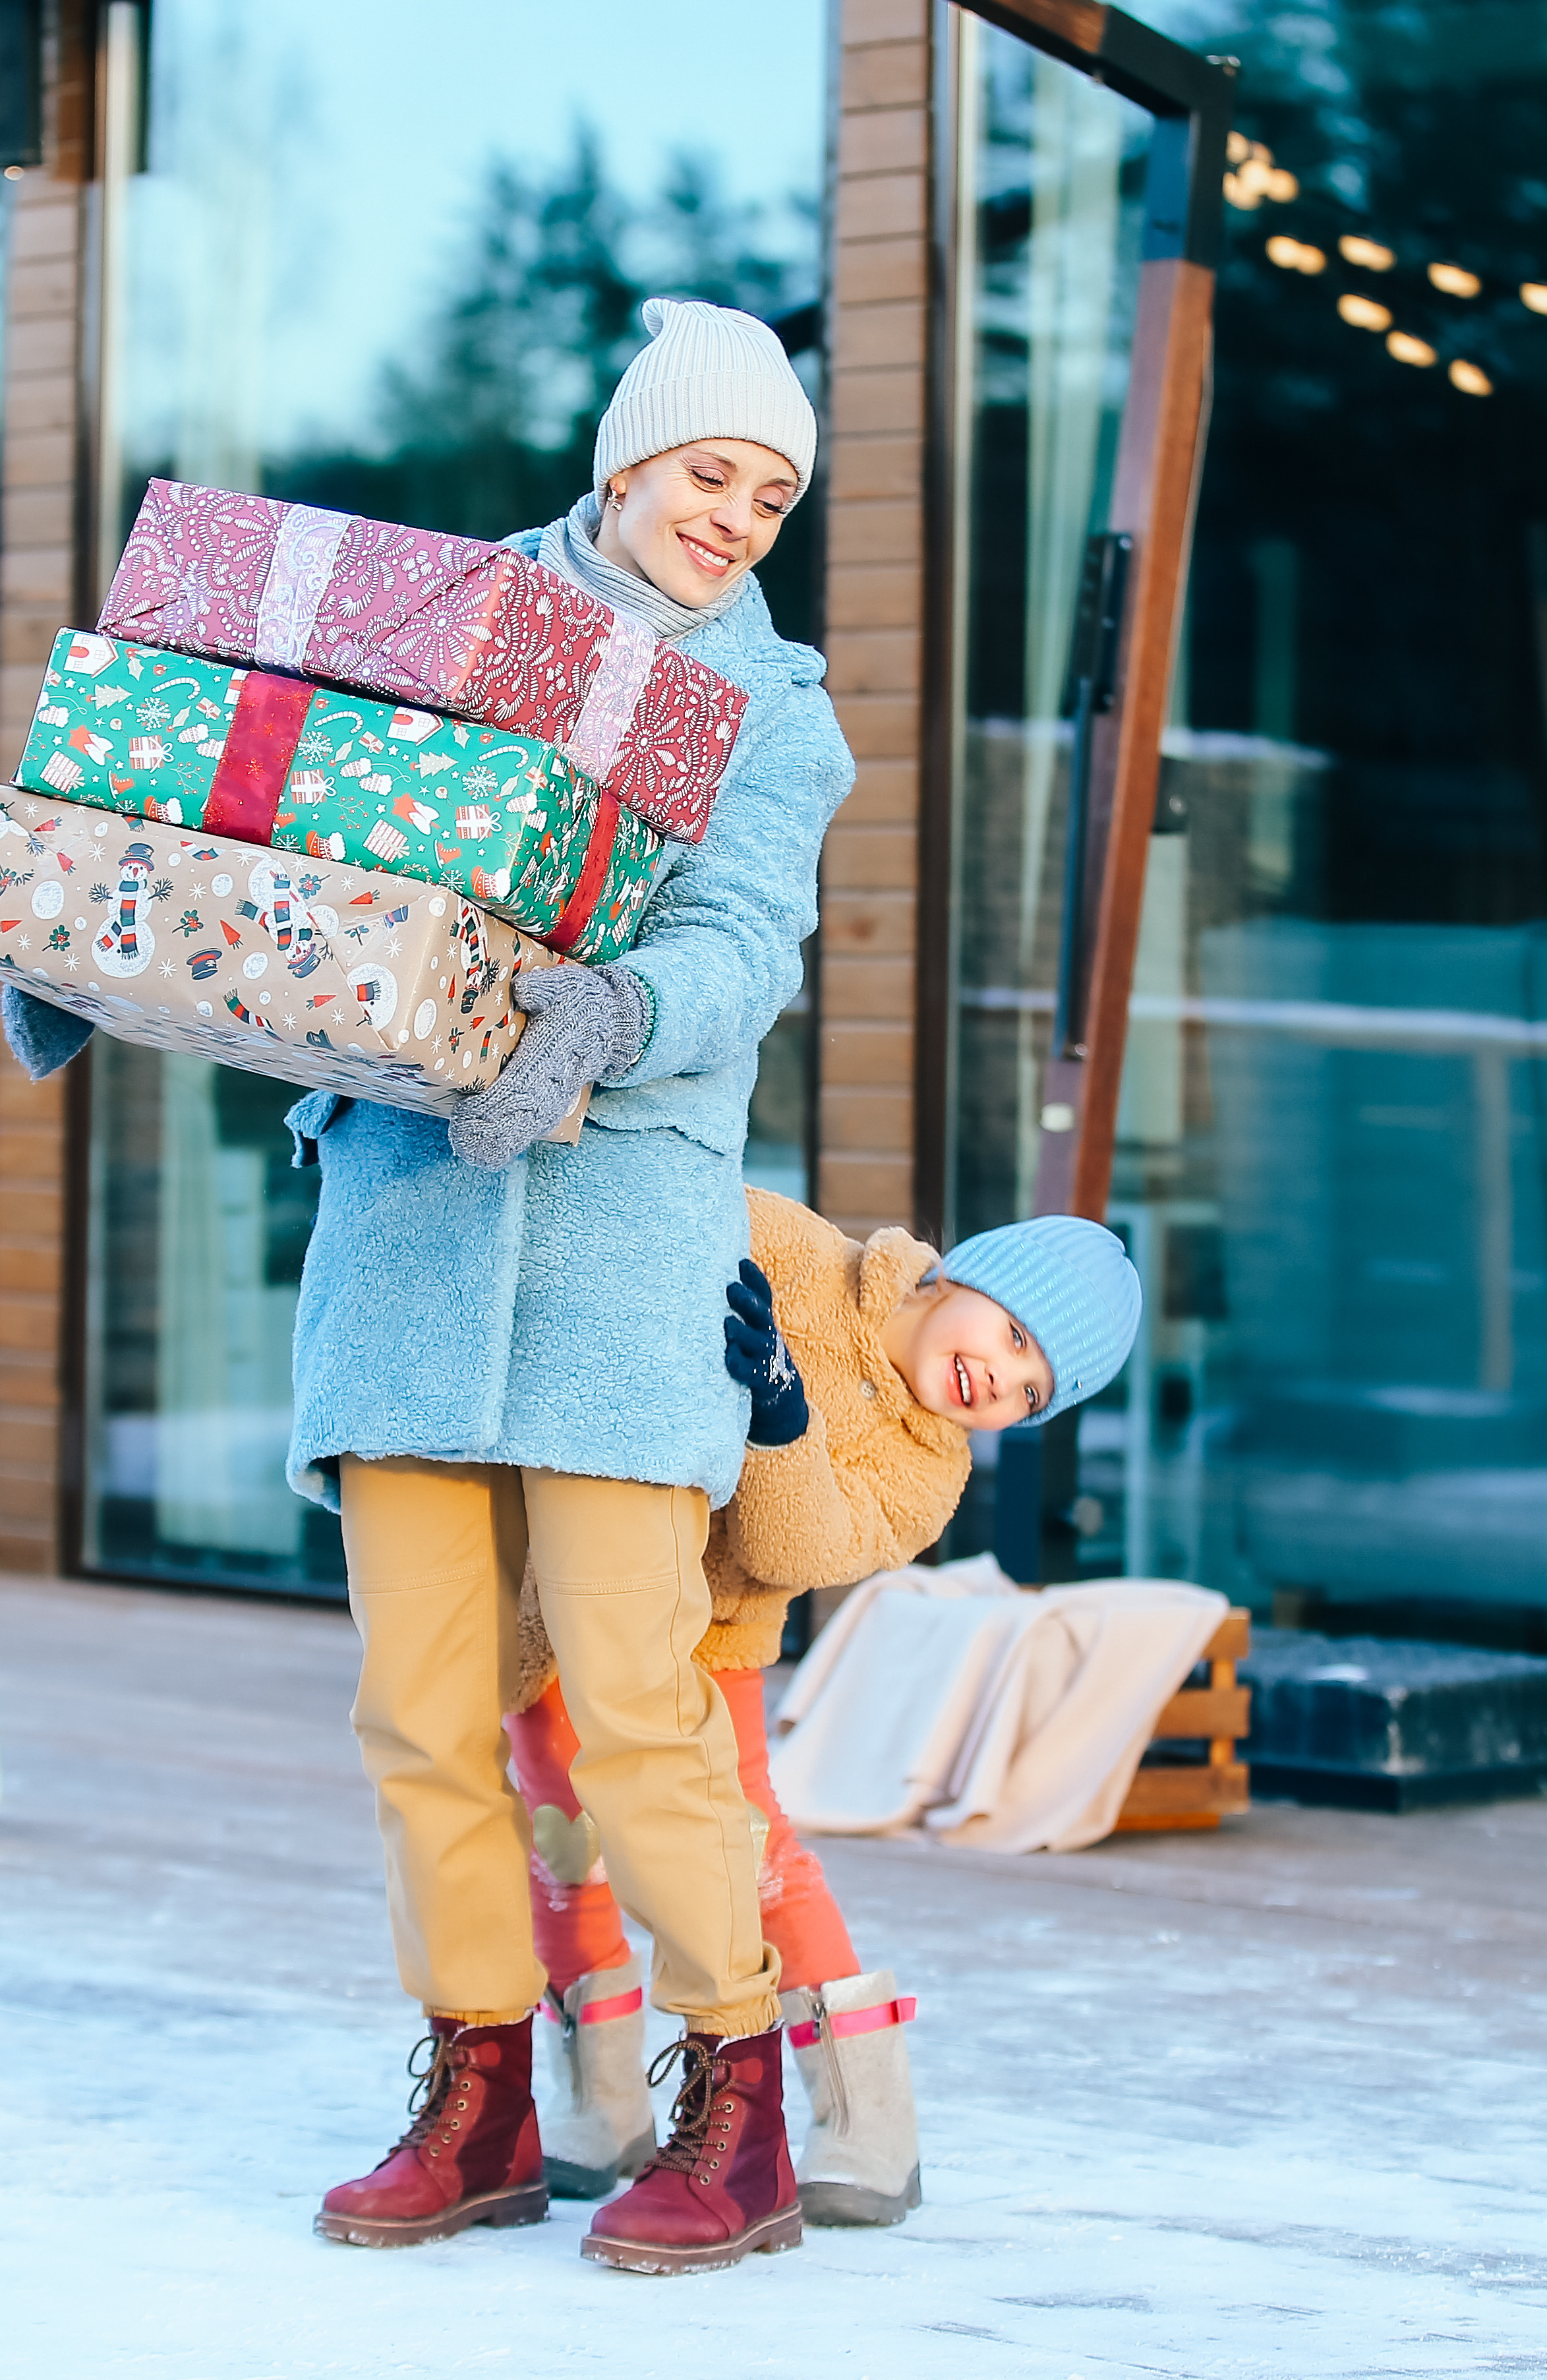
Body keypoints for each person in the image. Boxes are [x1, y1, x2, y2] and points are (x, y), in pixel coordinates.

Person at [6, 297, 854, 2278]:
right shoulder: (453, 618)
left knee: (644, 1706)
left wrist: (614, 1007)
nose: (736, 515)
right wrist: (103, 936)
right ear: (629, 459)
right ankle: (475, 2084)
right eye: (711, 473)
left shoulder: (772, 714)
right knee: (419, 1708)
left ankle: (738, 2103)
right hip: (402, 1220)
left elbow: (744, 943)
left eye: (771, 494)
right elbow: (293, 837)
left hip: (625, 1248)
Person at [506, 1189, 1141, 2226]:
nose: (1001, 1380)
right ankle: (602, 2090)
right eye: (1015, 1335)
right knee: (563, 1836)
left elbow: (792, 1551)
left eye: (1031, 1394)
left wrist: (783, 1418)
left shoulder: (926, 1473)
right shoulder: (796, 1252)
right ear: (963, 1274)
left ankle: (869, 2118)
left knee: (748, 1850)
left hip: (713, 1632)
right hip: (573, 1595)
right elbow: (662, 1221)